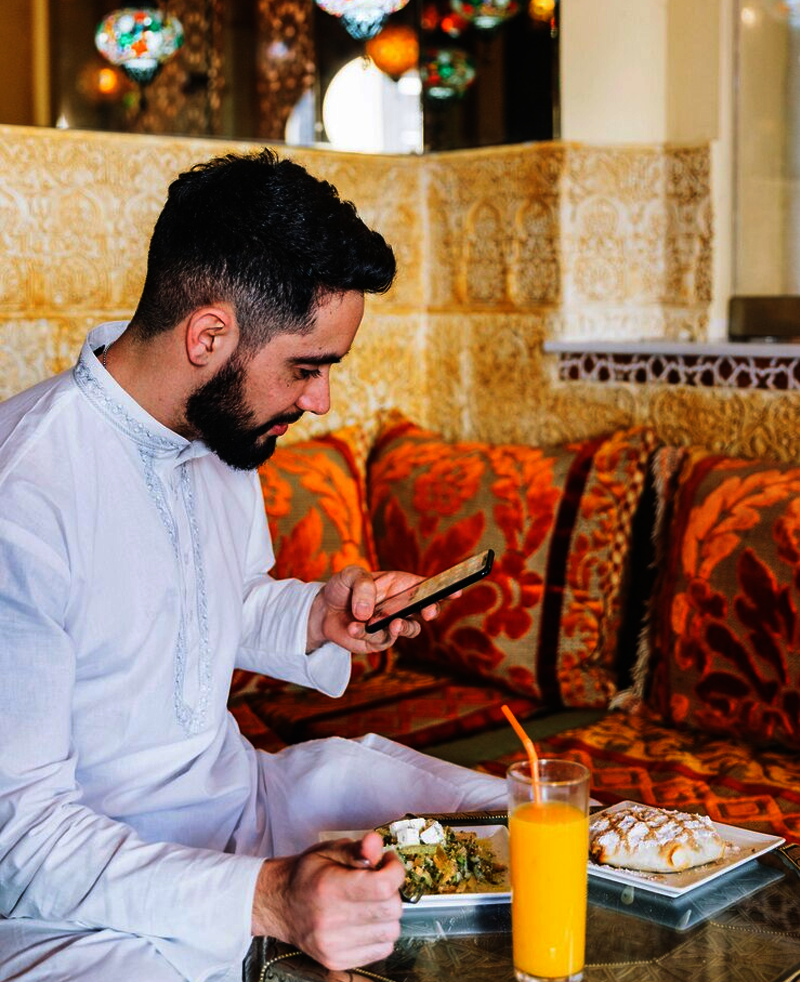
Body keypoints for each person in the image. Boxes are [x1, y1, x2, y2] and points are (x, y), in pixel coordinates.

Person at [0, 148, 506, 982]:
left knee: (515, 814)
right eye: (307, 368)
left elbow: (222, 603)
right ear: (209, 336)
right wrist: (269, 898)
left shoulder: (219, 434)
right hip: (92, 893)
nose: (320, 401)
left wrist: (319, 615)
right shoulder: (25, 493)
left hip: (242, 800)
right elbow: (21, 841)